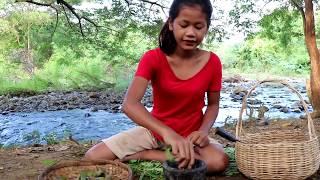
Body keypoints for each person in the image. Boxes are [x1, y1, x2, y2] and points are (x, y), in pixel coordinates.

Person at [85, 0, 229, 173]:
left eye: (198, 27)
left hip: (191, 137)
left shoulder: (213, 62)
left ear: (206, 28)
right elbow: (130, 104)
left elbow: (213, 104)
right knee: (93, 157)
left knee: (218, 161)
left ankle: (147, 155)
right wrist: (168, 134)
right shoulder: (153, 58)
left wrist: (204, 131)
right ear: (171, 24)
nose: (191, 33)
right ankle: (158, 151)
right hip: (154, 132)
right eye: (184, 25)